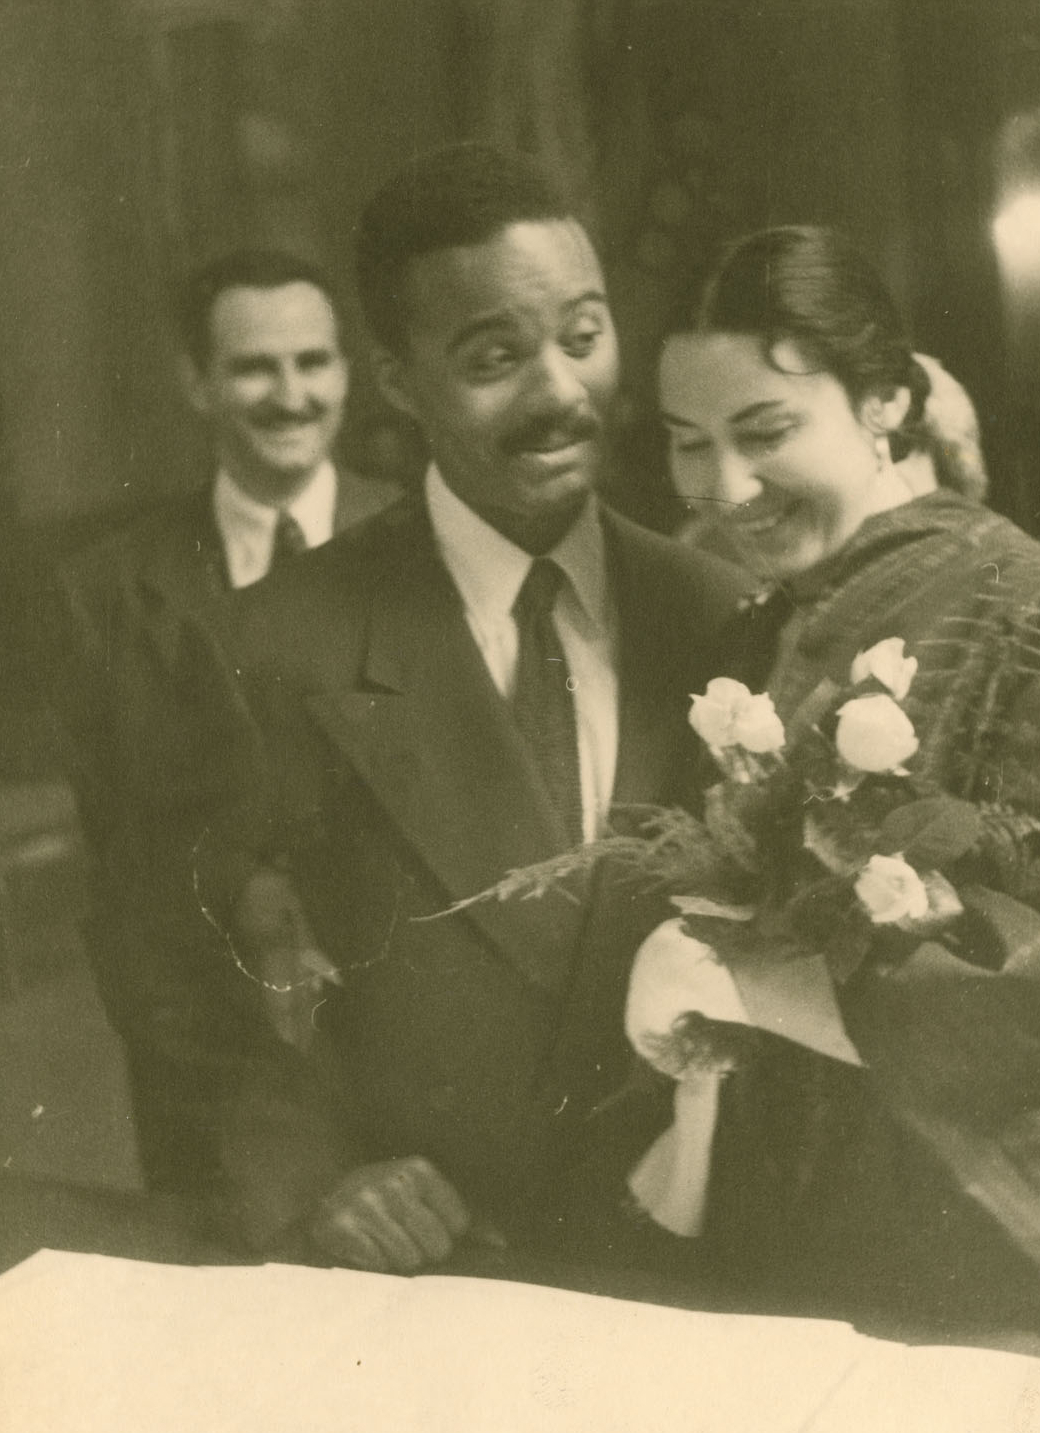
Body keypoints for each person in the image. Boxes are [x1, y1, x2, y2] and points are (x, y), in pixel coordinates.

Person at [180, 141, 746, 1272]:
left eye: (582, 337)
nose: (558, 391)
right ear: (394, 380)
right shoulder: (280, 640)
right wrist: (317, 1178)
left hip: (704, 1258)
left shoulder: (720, 610)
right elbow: (196, 967)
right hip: (435, 1266)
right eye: (493, 356)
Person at [649, 224, 1040, 1319]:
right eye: (686, 440)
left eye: (763, 429)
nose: (723, 485)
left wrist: (748, 982)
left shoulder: (1017, 606)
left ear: (883, 403)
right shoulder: (750, 634)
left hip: (972, 1264)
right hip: (778, 1241)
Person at [42, 248, 398, 1194]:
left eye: (312, 362)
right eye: (253, 367)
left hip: (418, 1077)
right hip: (215, 1103)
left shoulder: (423, 550)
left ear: (347, 374)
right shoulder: (107, 593)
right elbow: (128, 884)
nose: (291, 395)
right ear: (197, 383)